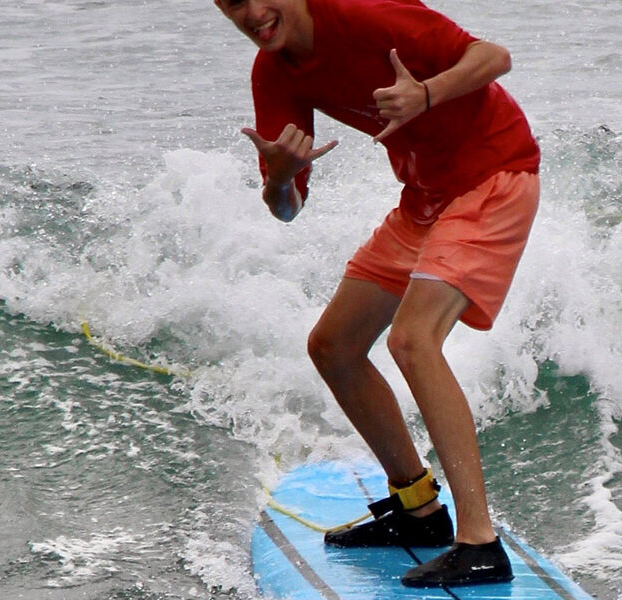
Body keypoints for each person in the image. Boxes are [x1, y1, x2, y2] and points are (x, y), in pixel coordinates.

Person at [214, 0, 540, 587]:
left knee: (413, 340)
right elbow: (287, 209)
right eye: (234, 2)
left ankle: (479, 543)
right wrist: (282, 177)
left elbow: (494, 57)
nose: (254, 13)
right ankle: (419, 510)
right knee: (334, 345)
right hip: (425, 199)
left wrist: (427, 94)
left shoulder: (362, 14)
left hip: (494, 174)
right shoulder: (275, 70)